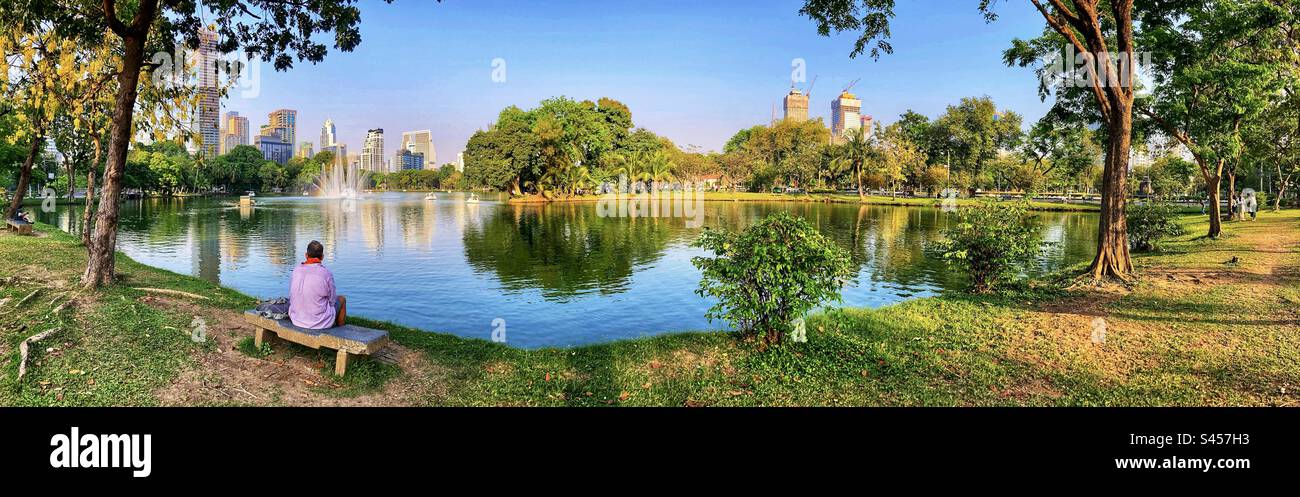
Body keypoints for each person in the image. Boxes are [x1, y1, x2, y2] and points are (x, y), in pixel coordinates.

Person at [288, 240, 346, 329]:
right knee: (342, 299)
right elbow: (332, 301)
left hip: (296, 319)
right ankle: (341, 331)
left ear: (306, 255)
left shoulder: (296, 270)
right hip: (320, 323)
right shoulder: (326, 274)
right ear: (322, 257)